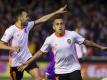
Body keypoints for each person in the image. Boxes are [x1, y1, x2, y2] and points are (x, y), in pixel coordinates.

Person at [18, 18, 107, 80]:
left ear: (64, 25)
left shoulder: (72, 34)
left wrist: (100, 47)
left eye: (62, 23)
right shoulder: (50, 39)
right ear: (54, 27)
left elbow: (86, 42)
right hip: (60, 71)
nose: (60, 25)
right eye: (57, 24)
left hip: (74, 68)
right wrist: (28, 62)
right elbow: (40, 52)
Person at [0, 6, 67, 80]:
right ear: (20, 18)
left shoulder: (27, 26)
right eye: (26, 16)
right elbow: (0, 44)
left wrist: (57, 12)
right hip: (15, 62)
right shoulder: (11, 30)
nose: (28, 18)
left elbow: (42, 19)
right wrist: (11, 48)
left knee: (39, 78)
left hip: (27, 58)